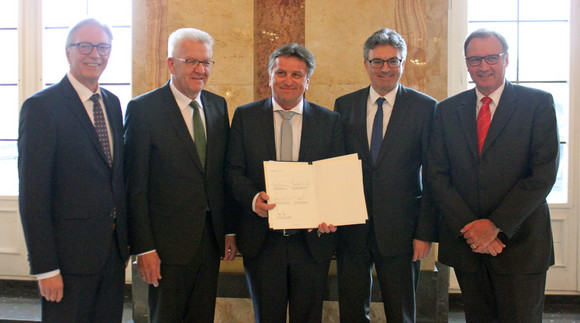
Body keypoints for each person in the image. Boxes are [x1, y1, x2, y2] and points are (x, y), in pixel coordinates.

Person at [428, 28, 559, 322]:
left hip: (521, 243)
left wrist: (495, 226)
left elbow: (543, 174)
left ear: (507, 59)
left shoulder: (537, 104)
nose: (483, 66)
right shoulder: (447, 111)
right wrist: (472, 230)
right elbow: (437, 175)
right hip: (467, 246)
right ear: (466, 63)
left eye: (491, 57)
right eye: (475, 60)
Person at [18, 18, 128, 322]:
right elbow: (33, 194)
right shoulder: (41, 107)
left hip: (112, 257)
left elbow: (113, 178)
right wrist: (45, 267)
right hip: (66, 264)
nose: (96, 54)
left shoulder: (113, 103)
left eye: (103, 46)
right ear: (68, 52)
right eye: (86, 46)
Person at [124, 28, 237, 322]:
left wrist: (228, 230)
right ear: (171, 64)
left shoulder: (216, 106)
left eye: (207, 62)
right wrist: (144, 248)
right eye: (191, 62)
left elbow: (219, 175)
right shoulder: (143, 110)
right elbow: (134, 187)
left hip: (209, 243)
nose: (201, 70)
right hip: (164, 249)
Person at [227, 43, 344, 322]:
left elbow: (336, 177)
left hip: (312, 242)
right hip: (262, 240)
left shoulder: (330, 122)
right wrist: (254, 199)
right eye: (281, 73)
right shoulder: (245, 117)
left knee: (309, 317)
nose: (288, 80)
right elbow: (232, 170)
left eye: (296, 74)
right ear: (269, 76)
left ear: (307, 81)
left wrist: (330, 212)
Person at [334, 28, 438, 323]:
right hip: (352, 227)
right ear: (365, 64)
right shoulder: (345, 105)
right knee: (352, 310)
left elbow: (433, 176)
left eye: (393, 61)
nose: (385, 69)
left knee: (401, 311)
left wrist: (424, 233)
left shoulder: (425, 107)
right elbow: (336, 166)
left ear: (403, 64)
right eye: (377, 62)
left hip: (403, 231)